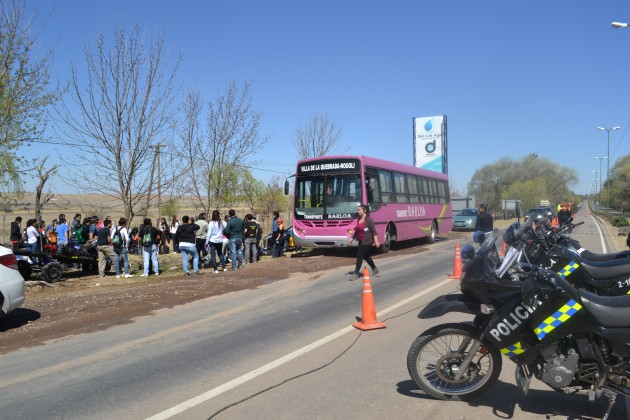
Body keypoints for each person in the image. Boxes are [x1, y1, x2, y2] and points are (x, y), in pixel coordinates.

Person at [348, 204, 380, 280]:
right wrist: (352, 238)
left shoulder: (368, 220)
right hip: (360, 240)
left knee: (359, 255)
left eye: (359, 210)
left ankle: (356, 274)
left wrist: (376, 241)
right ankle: (375, 269)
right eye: (358, 210)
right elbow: (357, 230)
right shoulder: (359, 219)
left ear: (364, 210)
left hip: (367, 241)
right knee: (365, 256)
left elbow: (374, 232)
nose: (358, 211)